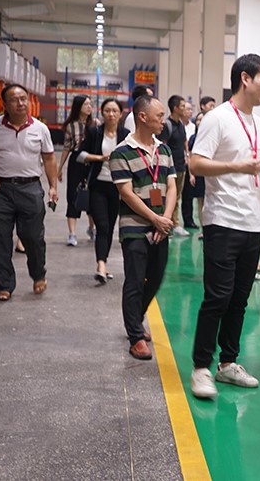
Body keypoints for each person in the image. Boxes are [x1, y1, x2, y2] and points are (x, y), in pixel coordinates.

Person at [188, 53, 260, 399]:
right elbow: (196, 164)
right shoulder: (217, 118)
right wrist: (236, 167)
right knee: (218, 296)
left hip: (252, 222)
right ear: (245, 78)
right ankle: (201, 367)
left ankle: (228, 363)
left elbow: (256, 174)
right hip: (222, 220)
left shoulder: (259, 123)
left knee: (240, 299)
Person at [0, 83, 59, 301]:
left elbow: (49, 158)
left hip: (30, 188)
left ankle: (38, 274)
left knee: (33, 237)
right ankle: (5, 284)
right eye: (14, 99)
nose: (20, 103)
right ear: (5, 104)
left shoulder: (40, 128)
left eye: (23, 98)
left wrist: (53, 186)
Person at [109, 95, 177, 360]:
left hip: (161, 226)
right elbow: (127, 194)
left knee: (156, 277)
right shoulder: (121, 152)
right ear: (142, 117)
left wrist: (165, 219)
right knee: (136, 280)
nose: (163, 120)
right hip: (135, 227)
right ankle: (136, 336)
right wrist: (154, 218)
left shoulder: (164, 150)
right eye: (159, 116)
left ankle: (135, 318)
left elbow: (171, 186)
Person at [75, 99, 129, 284]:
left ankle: (103, 263)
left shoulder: (126, 135)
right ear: (102, 112)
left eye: (114, 111)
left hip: (118, 187)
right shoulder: (94, 132)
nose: (111, 114)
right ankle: (101, 265)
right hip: (98, 185)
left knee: (110, 227)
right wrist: (101, 158)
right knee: (102, 226)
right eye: (107, 110)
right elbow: (80, 155)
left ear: (120, 114)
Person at [57, 95, 95, 246]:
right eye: (86, 104)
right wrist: (60, 168)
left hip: (92, 161)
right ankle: (72, 234)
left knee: (93, 195)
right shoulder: (71, 126)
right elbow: (66, 148)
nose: (89, 107)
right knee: (73, 195)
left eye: (90, 104)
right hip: (76, 162)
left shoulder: (95, 124)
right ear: (78, 107)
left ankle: (92, 228)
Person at [158, 95, 190, 237]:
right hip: (170, 168)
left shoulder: (181, 124)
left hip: (181, 166)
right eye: (182, 106)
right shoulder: (167, 125)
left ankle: (174, 223)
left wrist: (187, 155)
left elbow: (184, 141)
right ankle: (169, 223)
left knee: (177, 196)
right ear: (175, 108)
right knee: (168, 196)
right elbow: (163, 145)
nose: (185, 108)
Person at [182, 111, 206, 230]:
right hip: (198, 174)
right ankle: (203, 229)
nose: (199, 122)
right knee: (200, 202)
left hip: (209, 174)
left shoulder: (210, 137)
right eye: (198, 120)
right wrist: (191, 174)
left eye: (202, 119)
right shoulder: (193, 138)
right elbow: (190, 157)